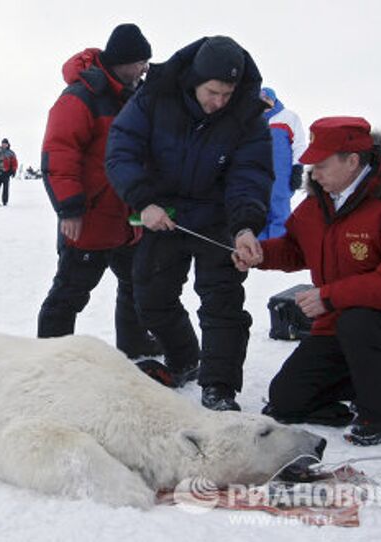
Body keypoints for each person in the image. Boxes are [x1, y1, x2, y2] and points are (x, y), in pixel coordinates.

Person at [234, 116, 381, 445]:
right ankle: (358, 381)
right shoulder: (318, 201)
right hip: (337, 318)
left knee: (358, 324)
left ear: (352, 161)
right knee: (285, 401)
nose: (314, 175)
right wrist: (260, 254)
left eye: (321, 165)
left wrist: (330, 296)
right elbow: (295, 248)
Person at [105, 36, 274, 410]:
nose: (220, 102)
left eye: (227, 93)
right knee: (149, 295)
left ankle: (219, 387)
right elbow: (122, 148)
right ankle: (184, 358)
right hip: (166, 214)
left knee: (222, 304)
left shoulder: (246, 113)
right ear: (195, 80)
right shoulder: (155, 96)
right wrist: (143, 201)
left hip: (219, 217)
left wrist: (245, 226)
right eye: (213, 92)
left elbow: (250, 175)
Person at [37, 23, 161, 360]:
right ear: (124, 60)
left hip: (126, 218)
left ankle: (134, 344)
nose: (145, 68)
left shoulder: (134, 96)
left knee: (136, 285)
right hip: (88, 218)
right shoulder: (81, 96)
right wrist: (70, 208)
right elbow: (59, 154)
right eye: (141, 62)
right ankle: (51, 356)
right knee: (70, 293)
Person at [258, 87, 307, 239]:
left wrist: (298, 169)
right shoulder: (250, 120)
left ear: (274, 100)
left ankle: (278, 249)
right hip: (257, 173)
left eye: (267, 99)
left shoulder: (288, 117)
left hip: (281, 175)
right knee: (257, 210)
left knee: (279, 210)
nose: (264, 103)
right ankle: (257, 251)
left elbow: (299, 144)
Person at [0, 138, 18, 206]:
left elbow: (14, 163)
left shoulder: (11, 153)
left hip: (6, 173)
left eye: (5, 144)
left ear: (8, 144)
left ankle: (5, 201)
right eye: (3, 143)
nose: (4, 145)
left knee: (6, 188)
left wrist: (13, 171)